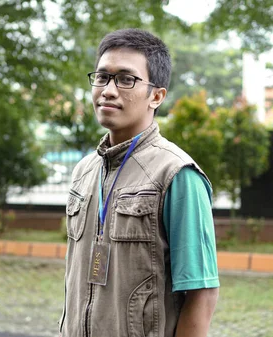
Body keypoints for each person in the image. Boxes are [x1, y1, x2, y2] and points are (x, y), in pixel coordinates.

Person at [59, 28, 219, 337]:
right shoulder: (84, 170)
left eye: (126, 79)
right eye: (102, 77)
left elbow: (202, 293)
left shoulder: (176, 174)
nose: (108, 90)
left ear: (157, 96)